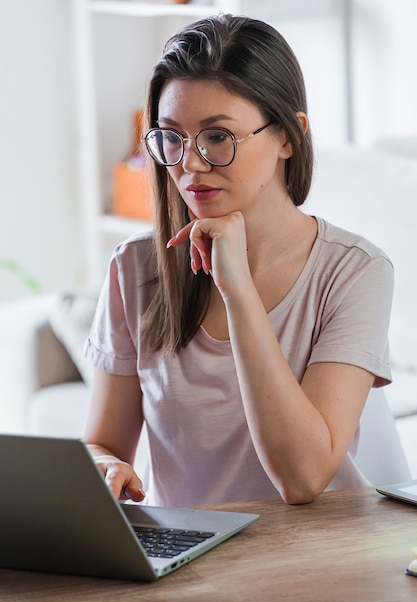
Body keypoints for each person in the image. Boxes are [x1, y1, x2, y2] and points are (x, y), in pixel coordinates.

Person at [84, 13, 393, 507]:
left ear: (289, 136)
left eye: (218, 136)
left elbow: (304, 478)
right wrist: (104, 466)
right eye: (171, 137)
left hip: (318, 560)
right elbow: (102, 443)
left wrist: (239, 291)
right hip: (187, 559)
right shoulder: (135, 268)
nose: (190, 164)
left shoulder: (355, 271)